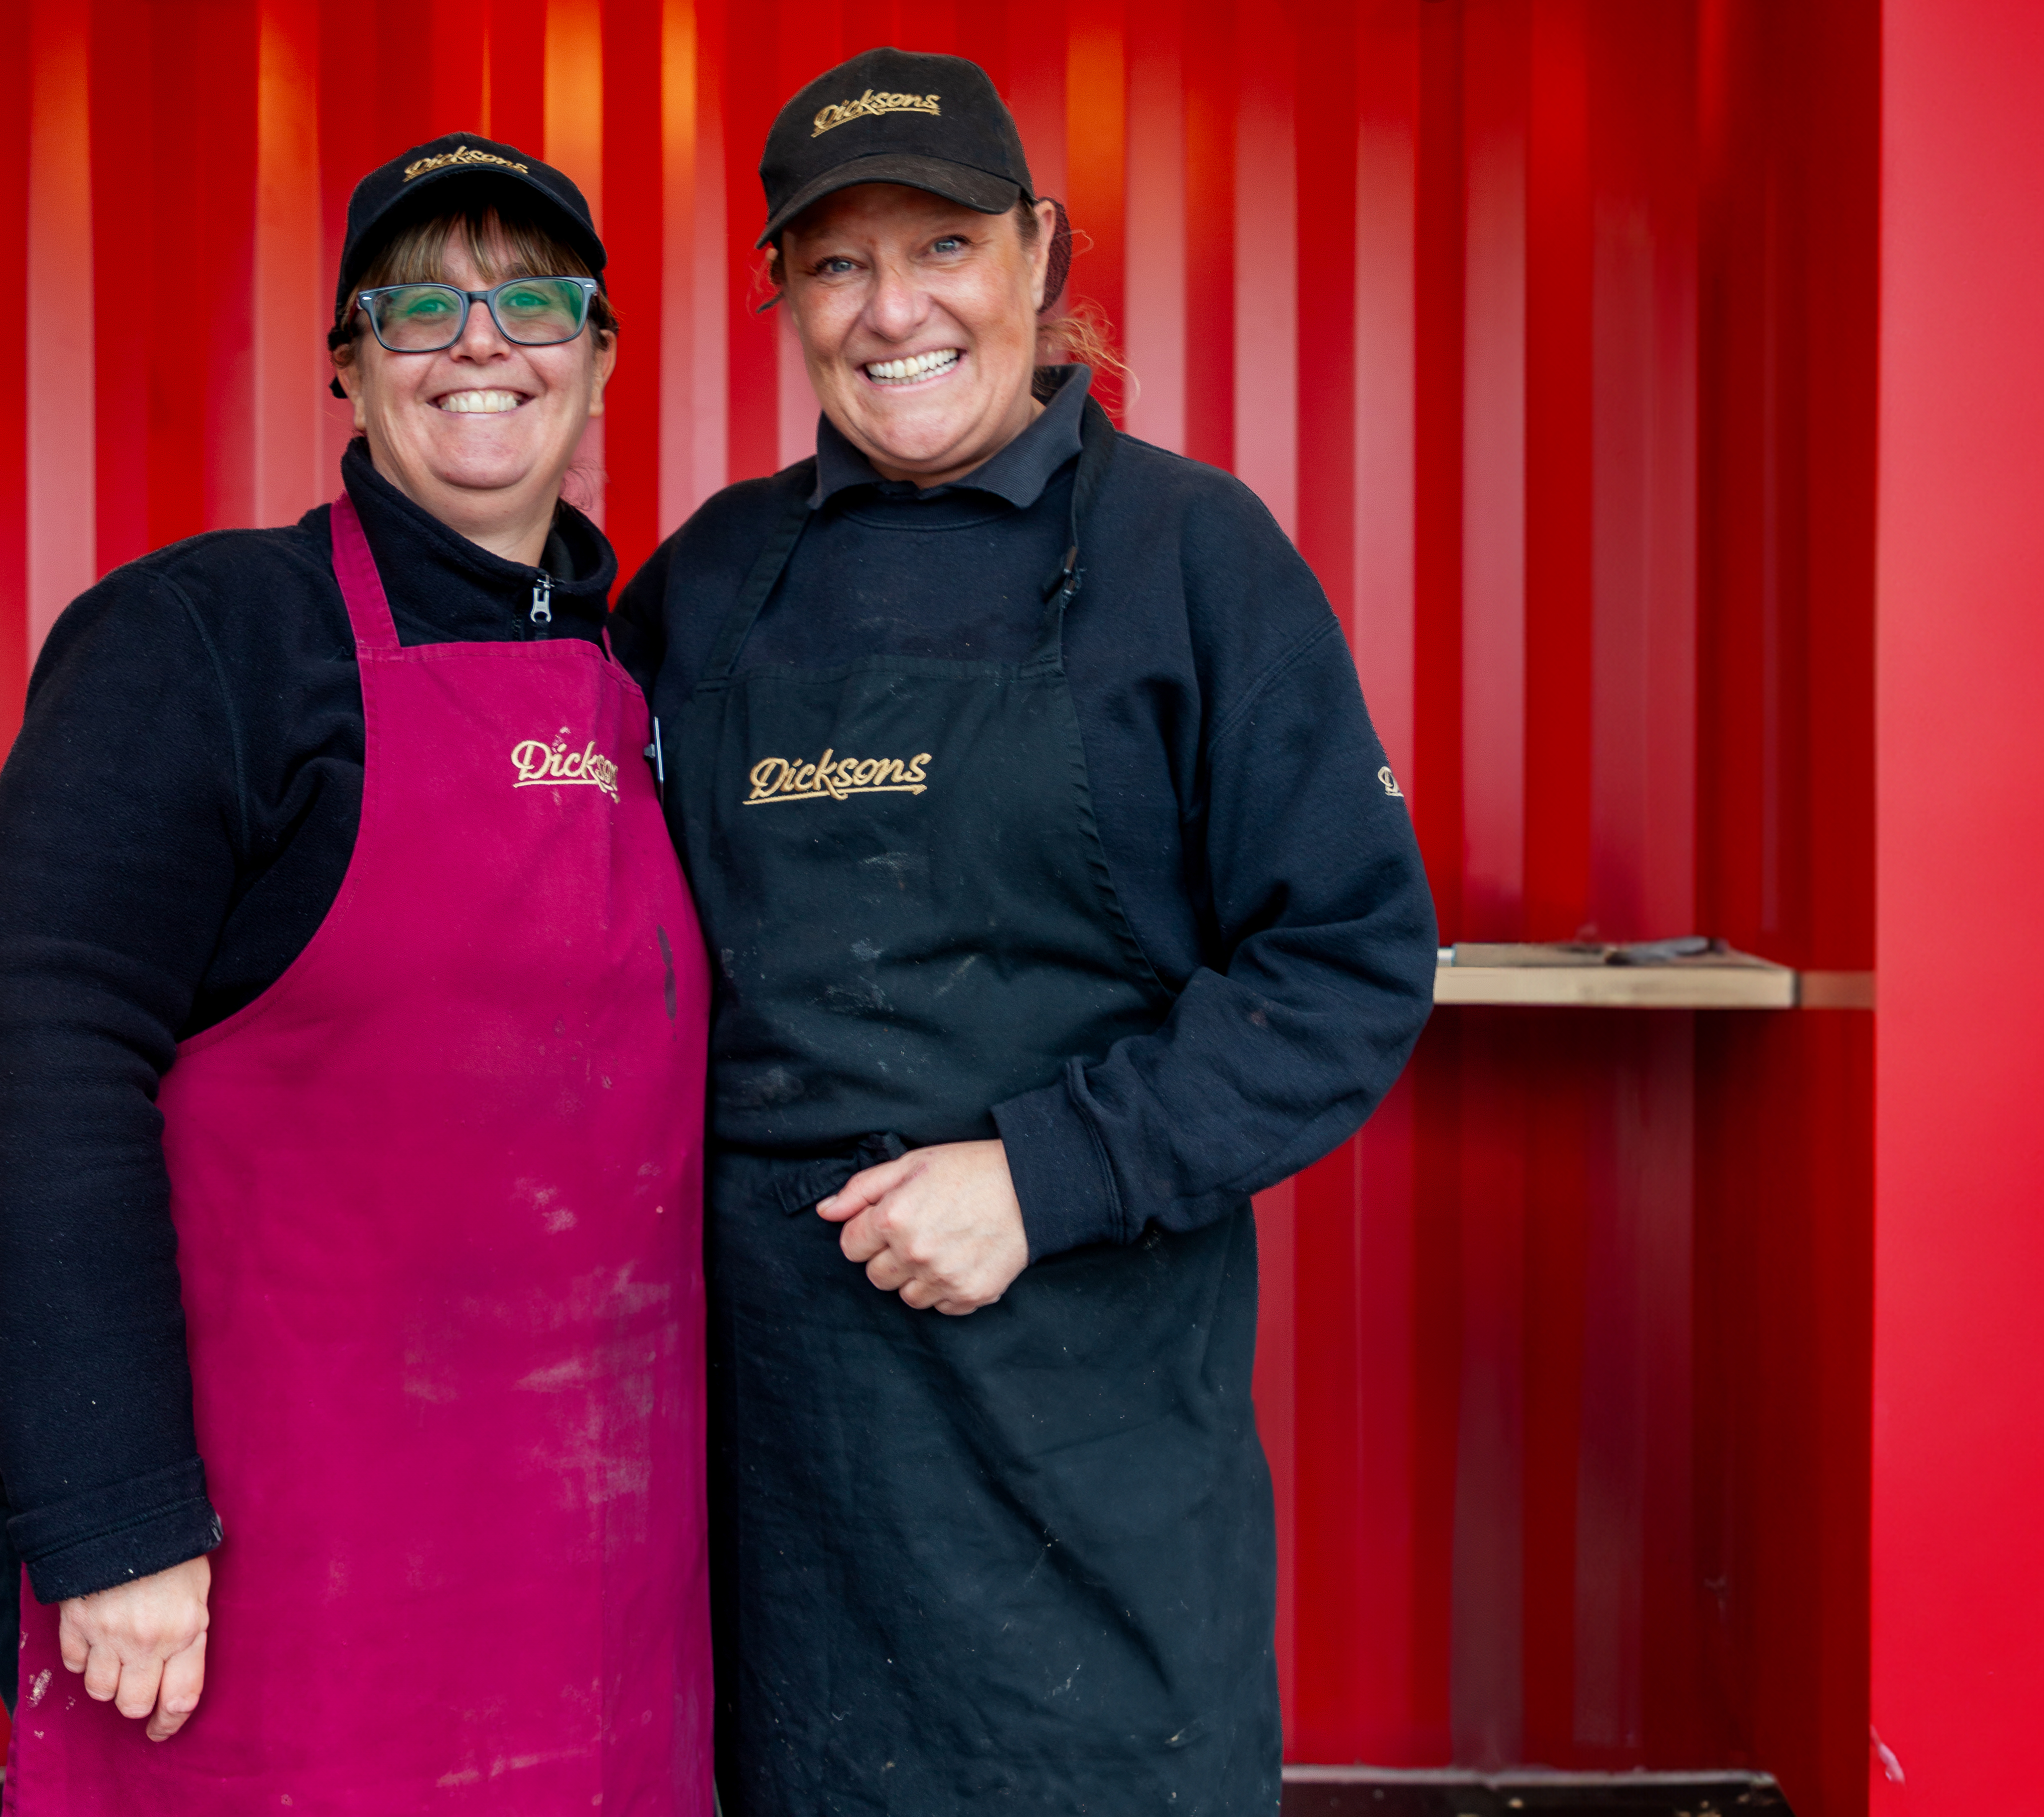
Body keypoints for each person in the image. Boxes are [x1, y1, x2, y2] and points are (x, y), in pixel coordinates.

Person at [620, 49, 1439, 1815]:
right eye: (836, 263)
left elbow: (1348, 963)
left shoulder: (1190, 557)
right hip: (772, 1435)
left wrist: (1039, 1176)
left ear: (1038, 252)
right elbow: (573, 923)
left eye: (942, 246)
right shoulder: (707, 579)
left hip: (1080, 1417)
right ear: (780, 294)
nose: (892, 309)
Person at [0, 132, 711, 1813]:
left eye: (533, 301)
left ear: (594, 356)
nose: (482, 343)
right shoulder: (205, 637)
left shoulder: (647, 672)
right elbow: (43, 1052)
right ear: (348, 371)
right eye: (420, 306)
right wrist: (113, 1512)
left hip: (599, 1541)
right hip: (275, 1544)